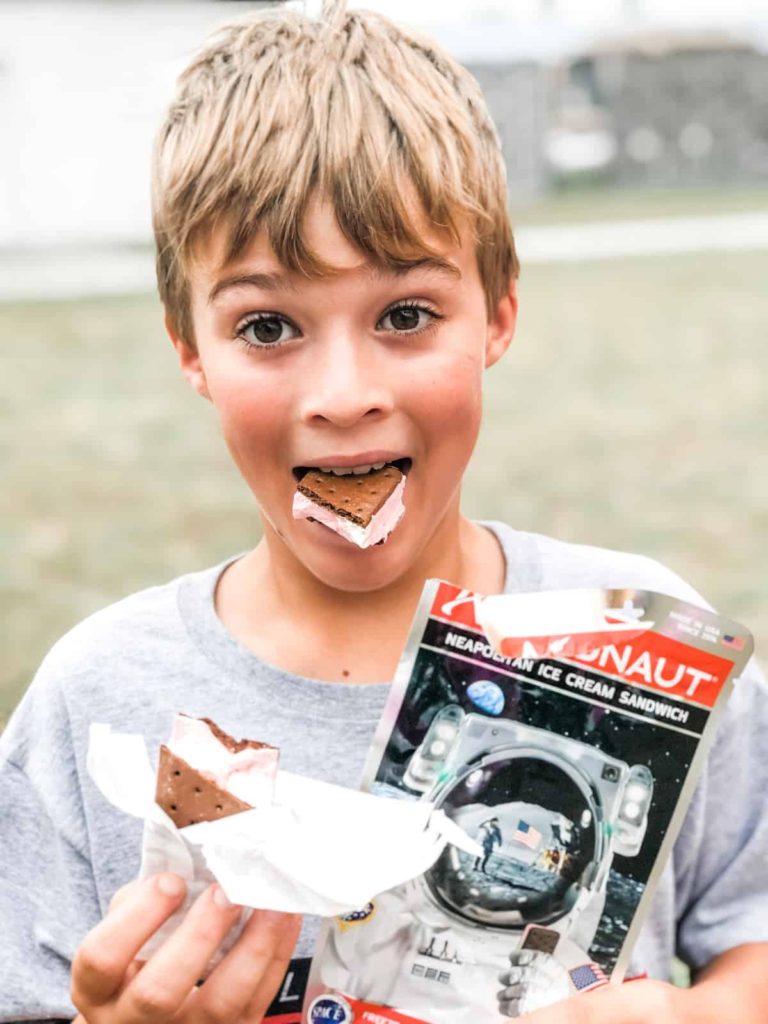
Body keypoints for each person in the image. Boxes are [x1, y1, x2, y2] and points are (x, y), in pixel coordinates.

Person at [1, 2, 767, 1022]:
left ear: (496, 311)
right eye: (267, 325)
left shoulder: (644, 641)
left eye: (405, 314)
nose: (344, 392)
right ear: (191, 348)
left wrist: (682, 1015)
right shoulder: (97, 697)